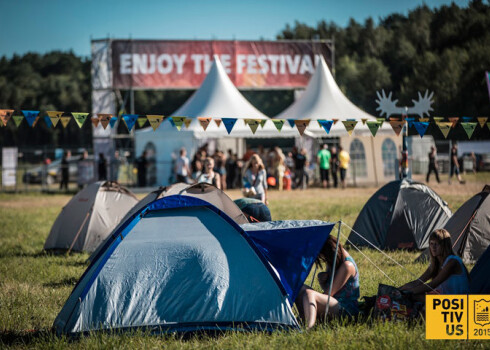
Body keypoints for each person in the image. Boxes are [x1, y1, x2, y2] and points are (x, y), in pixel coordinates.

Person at [297, 236, 360, 329]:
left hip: (346, 309)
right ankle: (303, 318)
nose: (325, 262)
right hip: (333, 303)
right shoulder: (334, 260)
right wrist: (323, 281)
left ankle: (309, 328)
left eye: (325, 259)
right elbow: (330, 292)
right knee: (299, 288)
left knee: (309, 294)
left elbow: (329, 294)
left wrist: (314, 296)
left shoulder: (347, 266)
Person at [400, 229, 469, 297]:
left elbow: (432, 285)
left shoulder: (453, 261)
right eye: (431, 244)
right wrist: (399, 289)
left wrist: (407, 292)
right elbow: (418, 282)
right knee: (413, 296)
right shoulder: (436, 263)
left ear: (444, 245)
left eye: (437, 244)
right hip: (444, 300)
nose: (433, 247)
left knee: (413, 296)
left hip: (459, 302)